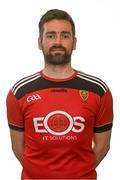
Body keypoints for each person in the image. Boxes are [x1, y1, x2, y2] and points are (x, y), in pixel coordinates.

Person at [6, 9, 113, 180]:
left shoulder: (98, 90)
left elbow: (103, 146)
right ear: (40, 42)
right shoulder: (19, 92)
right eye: (50, 35)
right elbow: (18, 147)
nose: (58, 42)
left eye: (65, 35)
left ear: (74, 42)